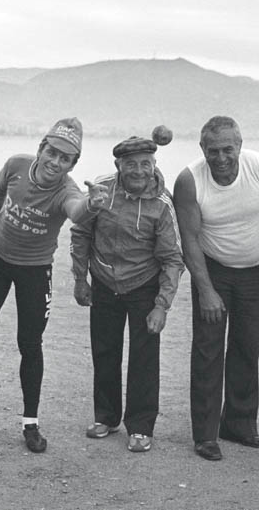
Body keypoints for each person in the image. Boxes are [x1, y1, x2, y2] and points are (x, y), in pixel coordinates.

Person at [0, 118, 108, 453]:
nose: (55, 162)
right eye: (52, 152)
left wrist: (93, 204)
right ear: (41, 147)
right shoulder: (16, 165)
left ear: (73, 164)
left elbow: (76, 211)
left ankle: (30, 423)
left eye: (65, 159)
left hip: (34, 270)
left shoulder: (66, 191)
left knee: (30, 343)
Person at [173, 116, 259, 461]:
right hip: (213, 269)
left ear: (240, 145)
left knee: (246, 345)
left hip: (255, 269)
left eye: (228, 149)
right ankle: (206, 433)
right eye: (213, 151)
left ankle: (239, 423)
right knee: (208, 349)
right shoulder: (189, 181)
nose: (221, 158)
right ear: (202, 149)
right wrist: (206, 290)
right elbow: (190, 240)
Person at [70, 130, 184, 453]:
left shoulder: (162, 204)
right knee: (104, 350)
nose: (138, 171)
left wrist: (162, 305)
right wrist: (81, 278)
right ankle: (106, 416)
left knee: (144, 357)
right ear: (118, 164)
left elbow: (173, 257)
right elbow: (80, 232)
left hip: (143, 285)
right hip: (104, 281)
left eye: (145, 164)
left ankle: (141, 426)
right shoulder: (102, 191)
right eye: (130, 164)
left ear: (154, 164)